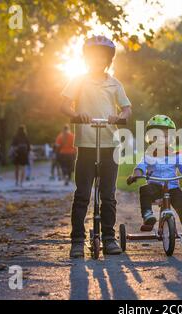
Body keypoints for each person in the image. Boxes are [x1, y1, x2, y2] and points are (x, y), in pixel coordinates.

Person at [60, 35, 132, 258]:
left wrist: (118, 116)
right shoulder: (79, 80)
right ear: (87, 59)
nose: (98, 60)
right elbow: (63, 105)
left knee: (108, 195)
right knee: (82, 194)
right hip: (86, 144)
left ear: (108, 59)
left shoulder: (114, 83)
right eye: (93, 56)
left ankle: (109, 238)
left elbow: (127, 109)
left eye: (102, 56)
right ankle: (77, 241)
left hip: (109, 145)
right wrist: (76, 114)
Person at [126, 115, 182, 245]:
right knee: (145, 190)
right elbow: (140, 167)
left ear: (171, 138)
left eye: (165, 136)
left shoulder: (176, 155)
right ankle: (147, 215)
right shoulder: (149, 156)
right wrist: (135, 175)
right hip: (155, 187)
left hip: (172, 188)